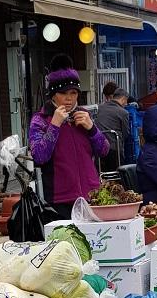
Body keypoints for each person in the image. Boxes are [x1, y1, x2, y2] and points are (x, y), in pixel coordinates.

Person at [29, 54, 109, 220]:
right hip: (59, 200)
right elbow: (39, 156)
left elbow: (104, 150)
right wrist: (55, 125)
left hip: (92, 196)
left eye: (73, 92)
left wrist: (92, 129)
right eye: (63, 92)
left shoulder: (84, 115)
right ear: (52, 94)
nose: (69, 98)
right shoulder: (41, 119)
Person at [96, 87, 131, 171]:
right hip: (115, 150)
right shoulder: (123, 112)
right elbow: (126, 133)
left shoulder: (100, 108)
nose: (126, 104)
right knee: (119, 174)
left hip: (100, 147)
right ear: (123, 99)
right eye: (126, 101)